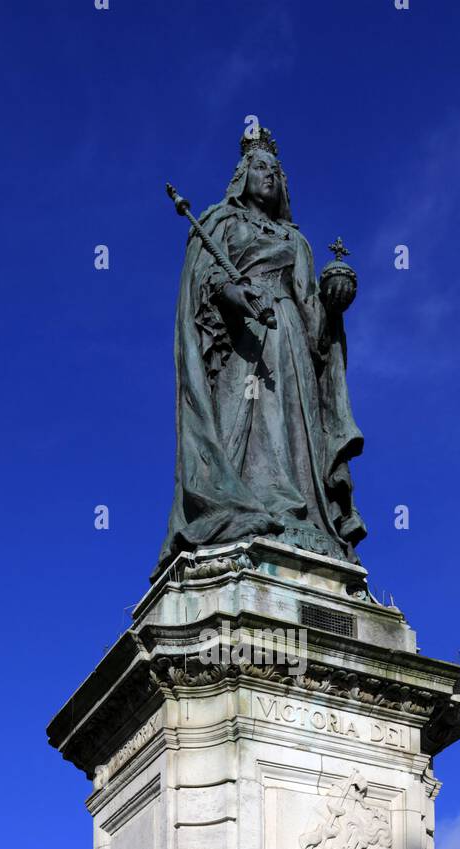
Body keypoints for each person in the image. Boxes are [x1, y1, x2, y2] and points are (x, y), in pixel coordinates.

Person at [154, 126, 366, 577]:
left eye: (275, 171)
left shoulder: (297, 242)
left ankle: (303, 518)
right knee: (243, 427)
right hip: (244, 341)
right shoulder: (219, 223)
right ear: (242, 176)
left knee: (293, 429)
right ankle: (242, 510)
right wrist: (234, 294)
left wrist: (334, 305)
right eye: (260, 168)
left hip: (289, 339)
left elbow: (316, 323)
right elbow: (204, 281)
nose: (269, 176)